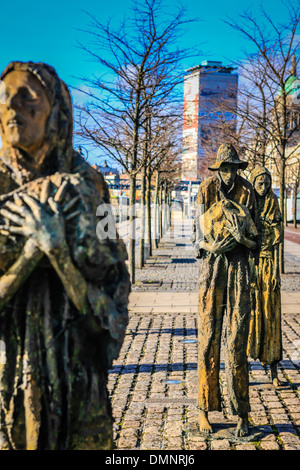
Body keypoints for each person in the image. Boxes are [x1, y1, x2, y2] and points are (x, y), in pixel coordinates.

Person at [0, 61, 130, 450]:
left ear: (56, 109)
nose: (12, 108)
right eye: (5, 97)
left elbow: (115, 273)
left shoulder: (96, 187)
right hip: (9, 373)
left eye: (27, 98)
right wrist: (31, 254)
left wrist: (58, 252)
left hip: (79, 373)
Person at [194, 143, 259, 437]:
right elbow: (198, 235)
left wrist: (241, 241)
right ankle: (203, 410)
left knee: (237, 338)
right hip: (212, 267)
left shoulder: (247, 191)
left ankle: (242, 413)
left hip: (240, 269)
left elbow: (257, 238)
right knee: (209, 336)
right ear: (218, 169)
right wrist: (212, 245)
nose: (229, 173)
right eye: (225, 168)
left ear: (238, 168)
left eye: (233, 168)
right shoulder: (206, 188)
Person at [247, 167, 282, 387]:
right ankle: (244, 364)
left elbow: (278, 243)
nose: (264, 186)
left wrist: (277, 271)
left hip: (269, 264)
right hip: (251, 264)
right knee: (249, 313)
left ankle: (274, 368)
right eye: (259, 183)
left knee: (271, 313)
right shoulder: (248, 203)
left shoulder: (273, 202)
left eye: (267, 183)